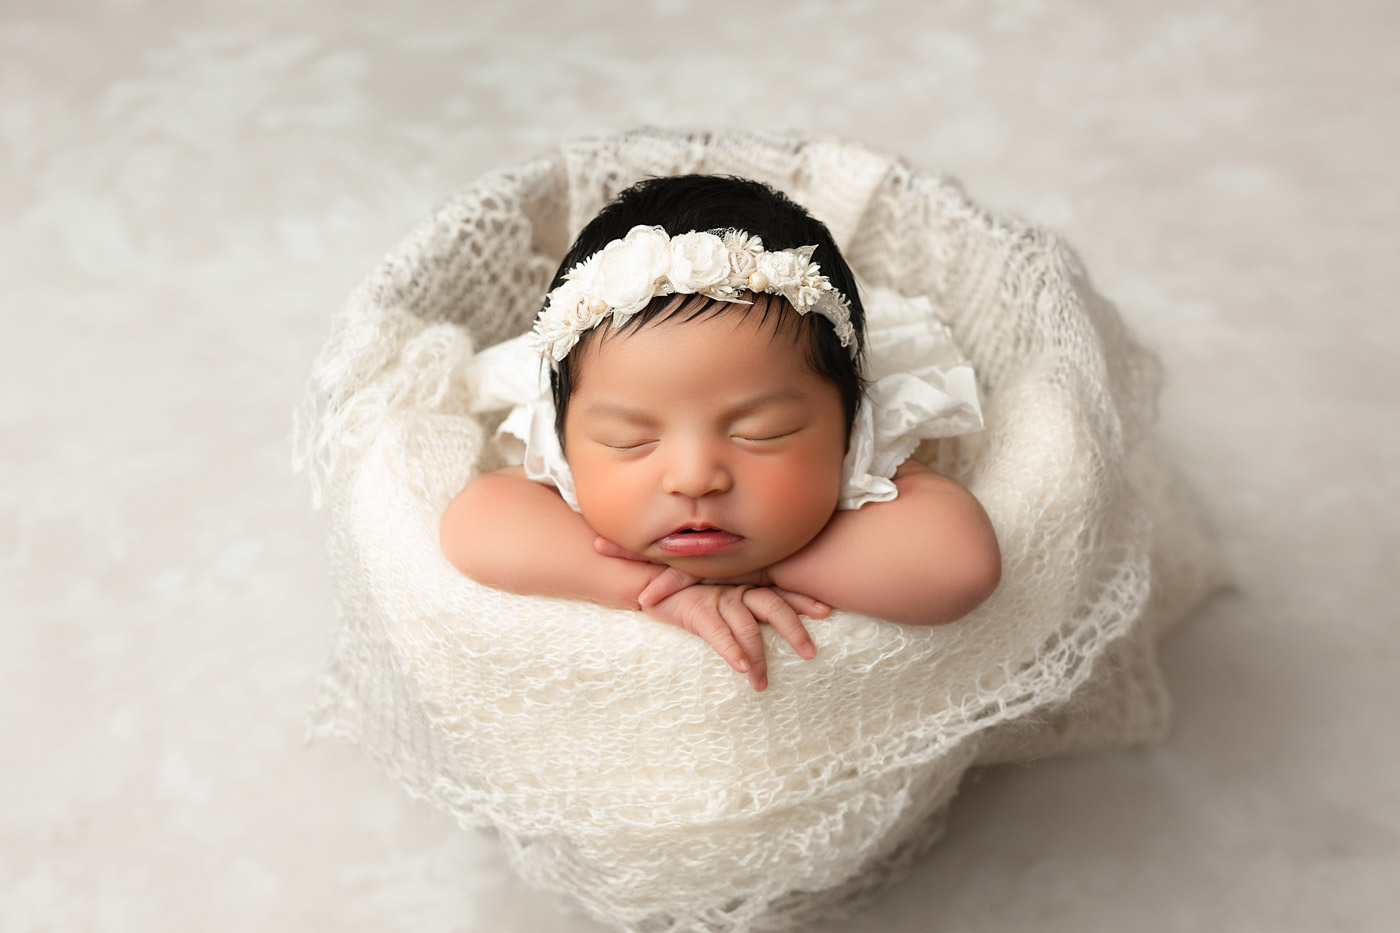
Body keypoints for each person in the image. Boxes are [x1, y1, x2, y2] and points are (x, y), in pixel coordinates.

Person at [439, 175, 1001, 692]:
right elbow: (475, 521)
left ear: (848, 425)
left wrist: (769, 567)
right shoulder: (560, 444)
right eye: (628, 440)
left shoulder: (865, 456)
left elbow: (959, 564)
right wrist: (658, 586)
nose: (693, 478)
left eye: (761, 431)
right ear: (566, 436)